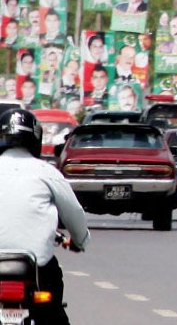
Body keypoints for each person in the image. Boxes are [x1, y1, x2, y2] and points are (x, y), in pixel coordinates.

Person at [0, 108, 90, 325]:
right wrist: (79, 241)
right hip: (38, 267)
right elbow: (74, 213)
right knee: (53, 310)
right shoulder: (46, 172)